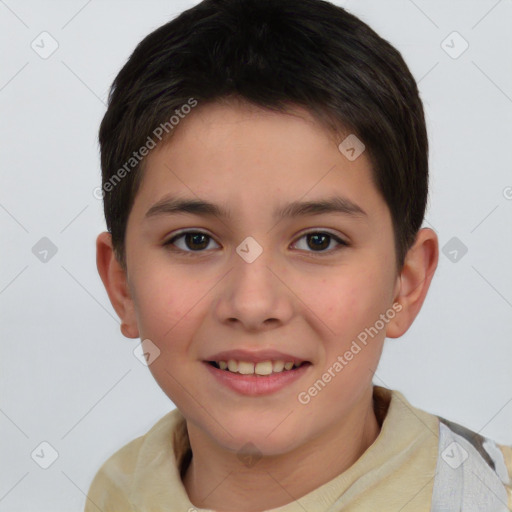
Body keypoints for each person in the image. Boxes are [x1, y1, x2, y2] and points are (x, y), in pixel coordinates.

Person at [85, 0, 512, 510]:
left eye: (318, 241)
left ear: (406, 282)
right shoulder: (115, 493)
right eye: (194, 240)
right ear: (121, 282)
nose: (252, 303)